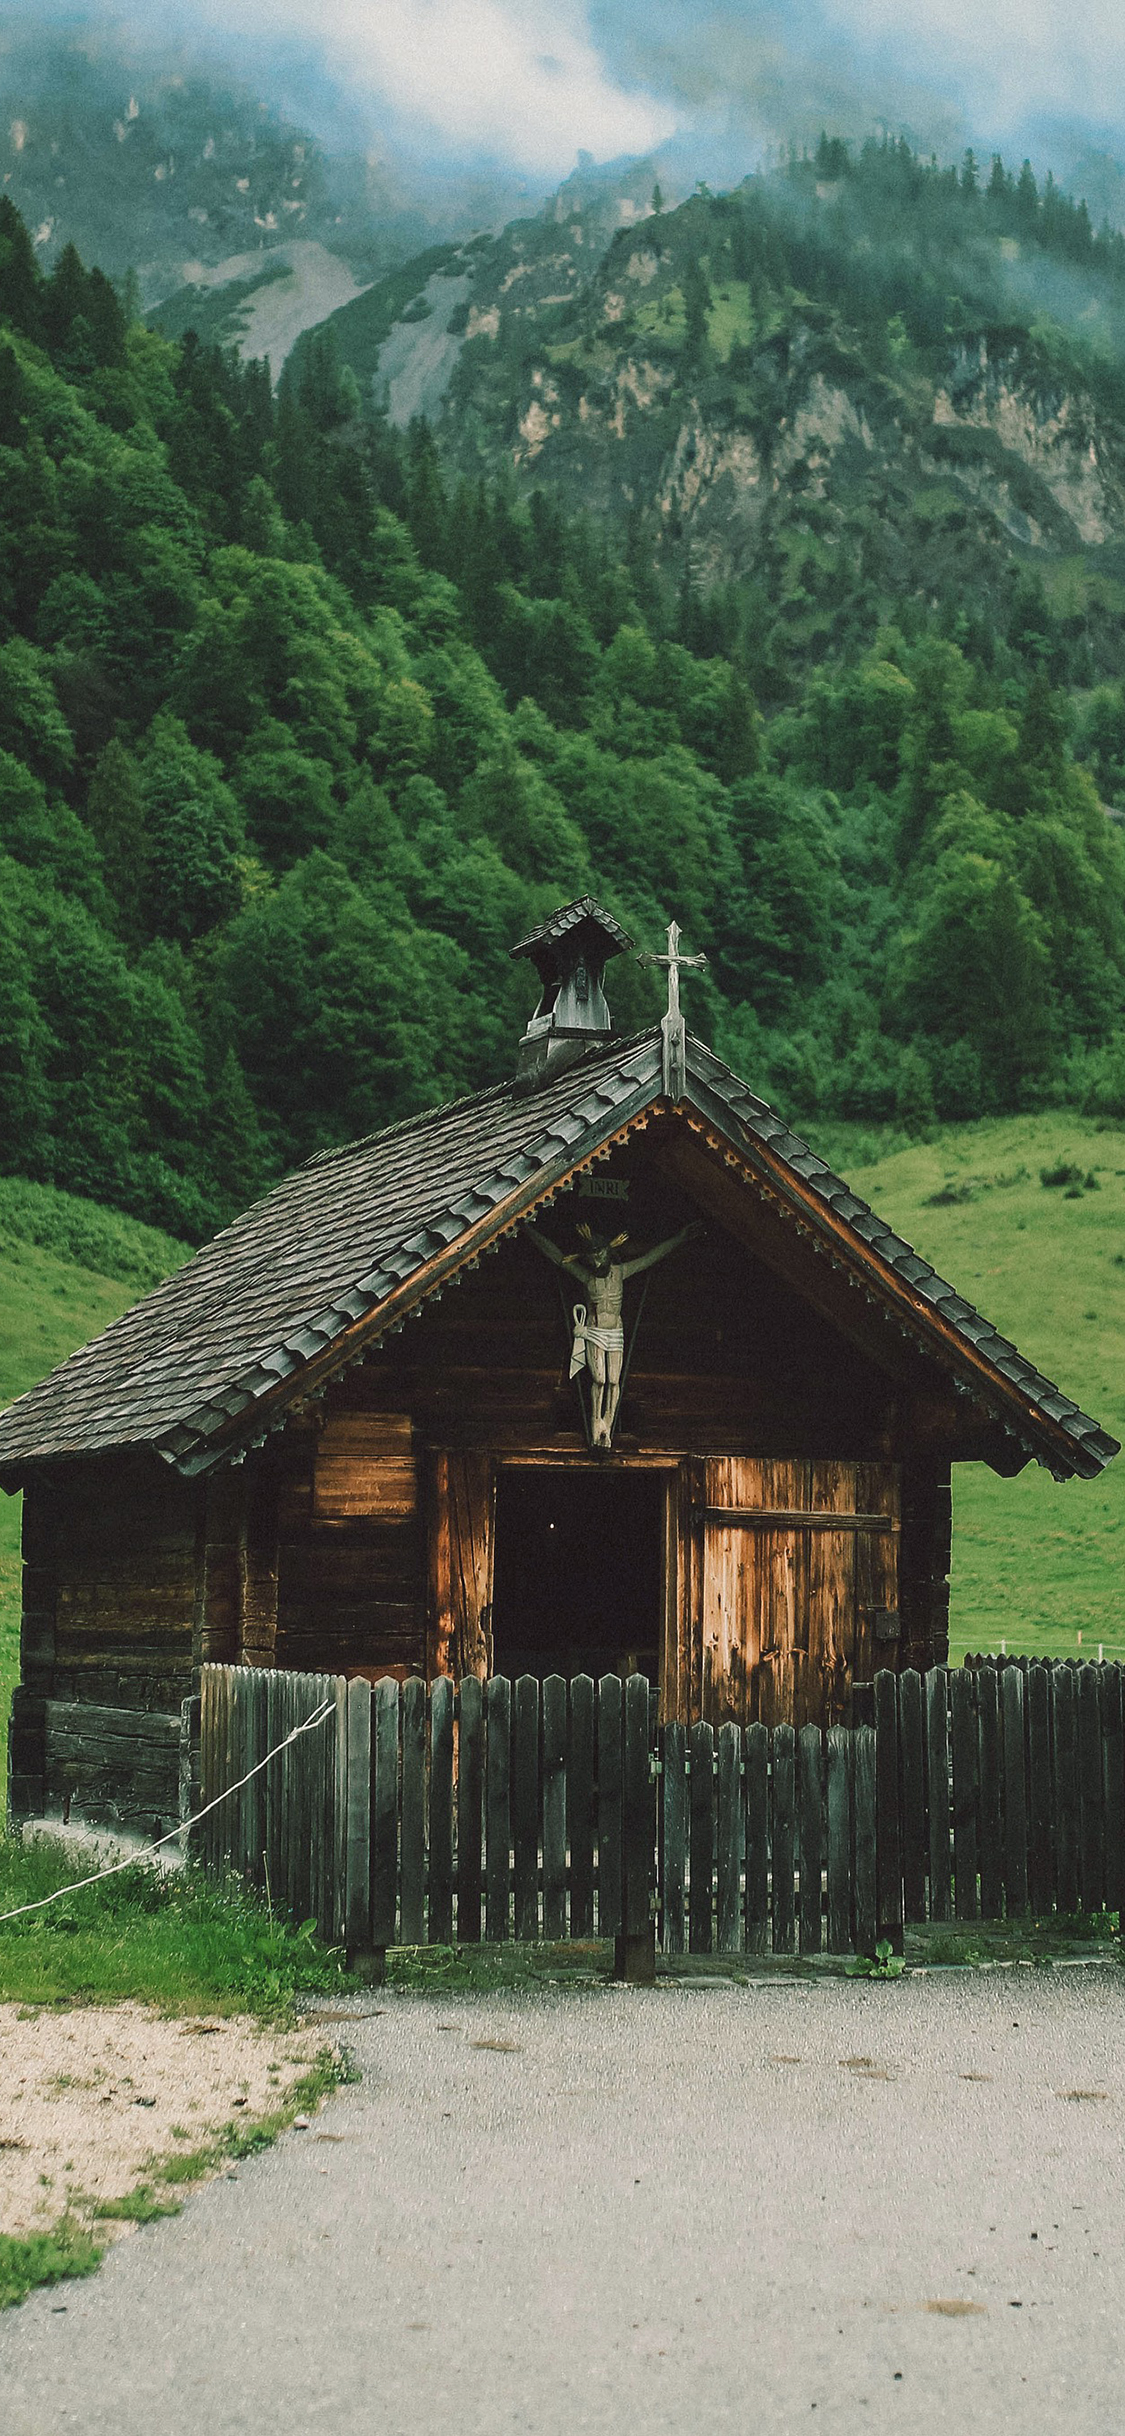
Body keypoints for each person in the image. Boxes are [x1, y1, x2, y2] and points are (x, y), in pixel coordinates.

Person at [527, 1216, 703, 1447]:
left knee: (613, 1380)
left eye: (600, 1254)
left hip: (615, 1330)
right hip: (595, 1329)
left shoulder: (620, 1272)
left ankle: (606, 1425)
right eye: (592, 1256)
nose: (597, 1260)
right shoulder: (586, 1277)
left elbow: (650, 1258)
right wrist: (527, 1229)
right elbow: (557, 1256)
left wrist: (679, 1238)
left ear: (609, 1252)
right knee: (599, 1379)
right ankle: (595, 1421)